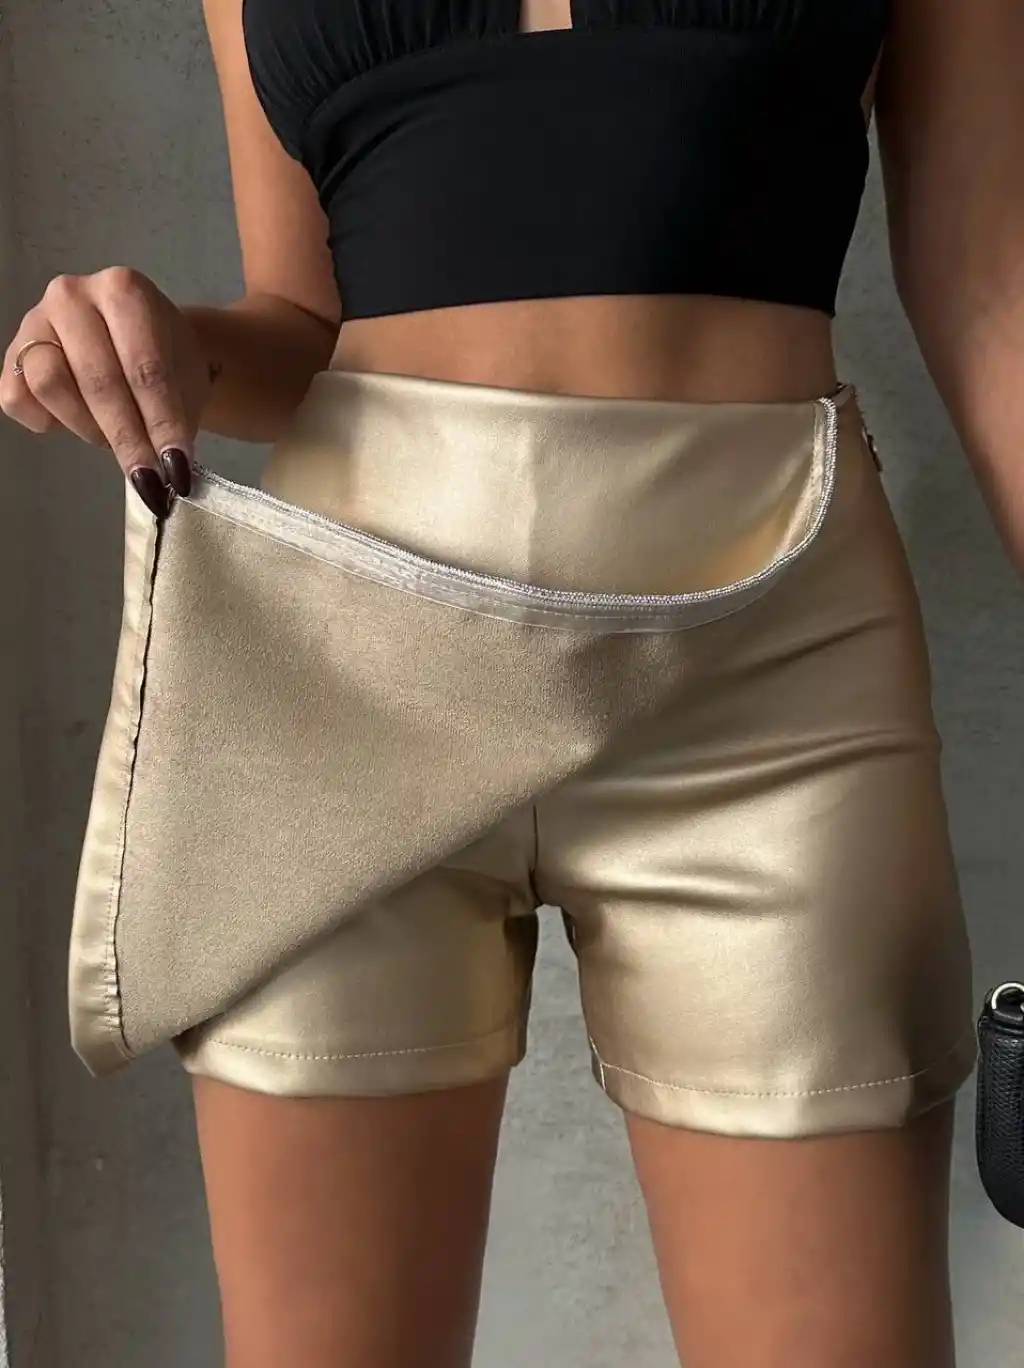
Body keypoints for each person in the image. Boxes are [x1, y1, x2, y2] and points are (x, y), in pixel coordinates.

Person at [2, 2, 1020, 1365]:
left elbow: (996, 290)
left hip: (771, 673)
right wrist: (162, 345)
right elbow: (303, 326)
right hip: (336, 679)